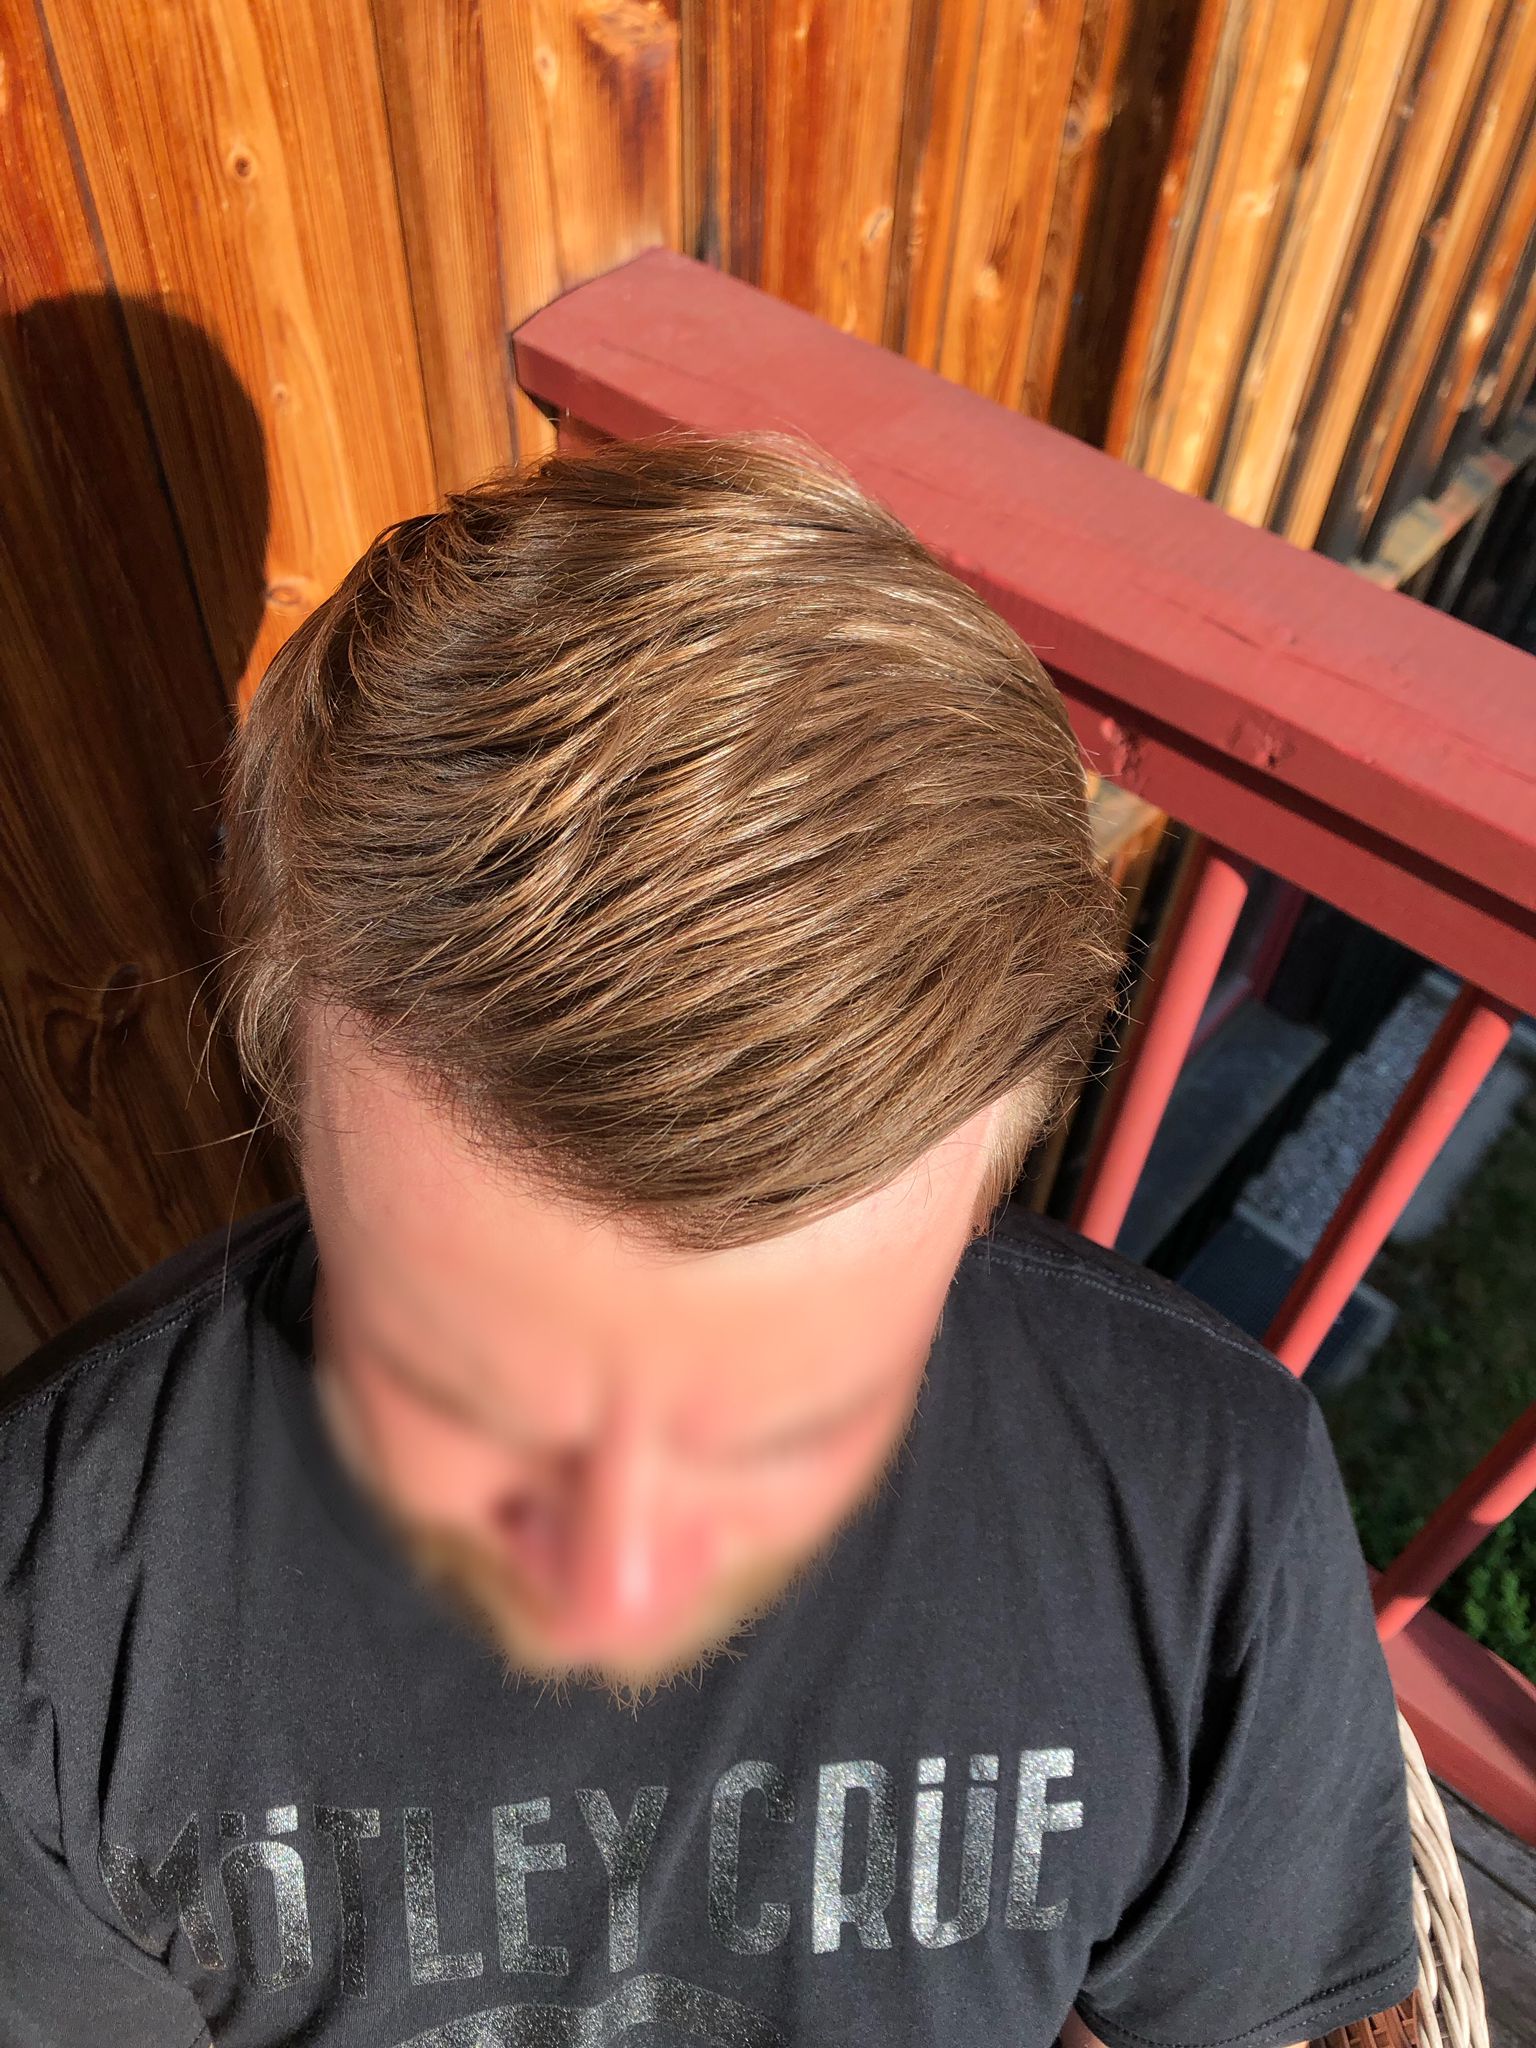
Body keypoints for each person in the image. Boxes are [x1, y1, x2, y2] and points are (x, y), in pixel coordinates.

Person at [0, 436, 1417, 2048]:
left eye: (791, 1408)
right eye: (452, 1377)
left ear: (993, 1173)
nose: (612, 1591)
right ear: (291, 1096)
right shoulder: (46, 1620)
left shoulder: (1199, 1503)